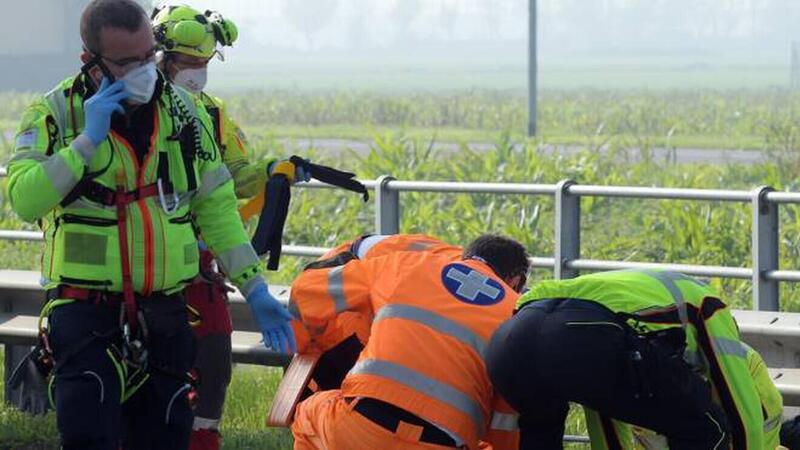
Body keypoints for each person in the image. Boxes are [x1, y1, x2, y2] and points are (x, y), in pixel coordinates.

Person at [6, 1, 294, 449]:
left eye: (148, 56)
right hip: (84, 311)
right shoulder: (57, 113)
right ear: (92, 63)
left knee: (165, 437)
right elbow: (25, 199)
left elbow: (216, 207)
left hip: (166, 313)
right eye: (127, 62)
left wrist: (255, 289)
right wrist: (85, 143)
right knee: (90, 437)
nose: (145, 70)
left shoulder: (185, 114)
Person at [150, 6, 308, 449]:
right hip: (140, 261)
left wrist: (272, 171)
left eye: (203, 65)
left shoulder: (213, 115)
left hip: (201, 262)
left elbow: (232, 177)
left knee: (215, 360)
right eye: (188, 63)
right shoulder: (134, 110)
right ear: (160, 57)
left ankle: (203, 439)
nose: (197, 74)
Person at [288, 233, 530, 450]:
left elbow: (306, 292)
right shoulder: (516, 315)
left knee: (307, 414)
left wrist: (312, 341)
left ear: (464, 256)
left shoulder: (406, 264)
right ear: (515, 282)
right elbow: (505, 422)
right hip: (442, 443)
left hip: (359, 429)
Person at [486, 269, 765, 450]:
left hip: (507, 343)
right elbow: (740, 408)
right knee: (706, 426)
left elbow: (607, 409)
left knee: (541, 436)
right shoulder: (713, 310)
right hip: (579, 338)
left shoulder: (624, 318)